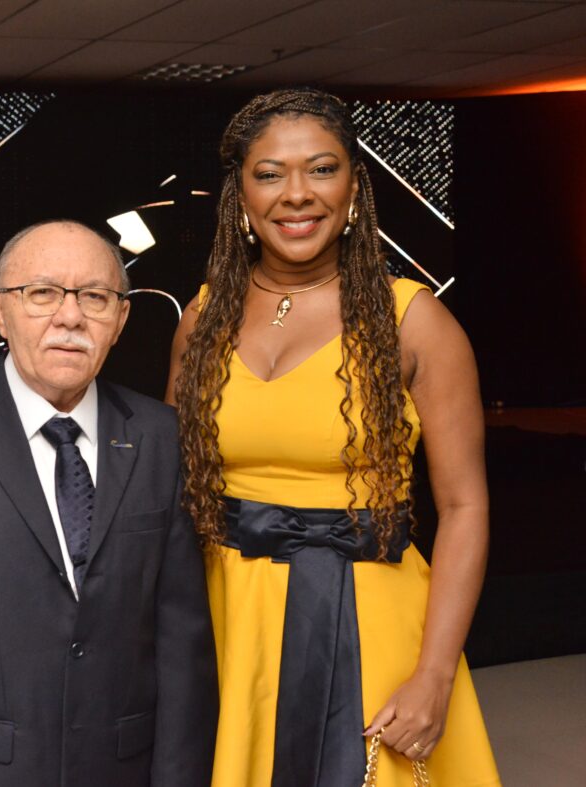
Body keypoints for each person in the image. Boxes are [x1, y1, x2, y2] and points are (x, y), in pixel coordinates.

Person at [166, 88, 500, 786]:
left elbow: (465, 506)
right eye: (269, 174)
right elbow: (169, 492)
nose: (297, 193)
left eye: (321, 169)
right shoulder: (203, 316)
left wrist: (435, 674)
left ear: (354, 187)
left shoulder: (413, 320)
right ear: (241, 196)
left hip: (371, 620)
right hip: (229, 621)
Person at [0, 220, 217, 787]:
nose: (70, 317)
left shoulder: (163, 437)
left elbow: (183, 647)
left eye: (95, 297)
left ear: (121, 319)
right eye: (42, 293)